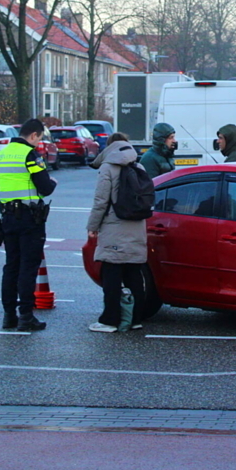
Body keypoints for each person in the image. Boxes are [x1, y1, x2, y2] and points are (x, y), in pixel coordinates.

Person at [0, 118, 57, 332]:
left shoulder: (0, 155)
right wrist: (52, 183)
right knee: (28, 268)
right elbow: (45, 187)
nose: (38, 143)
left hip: (7, 217)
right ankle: (26, 317)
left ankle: (8, 315)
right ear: (33, 135)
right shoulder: (30, 155)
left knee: (11, 266)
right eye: (39, 139)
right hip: (29, 218)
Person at [86, 133, 147, 333]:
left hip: (114, 226)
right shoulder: (139, 166)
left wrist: (93, 226)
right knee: (133, 272)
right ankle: (135, 318)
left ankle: (109, 320)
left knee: (111, 272)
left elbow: (101, 201)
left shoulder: (108, 168)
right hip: (137, 226)